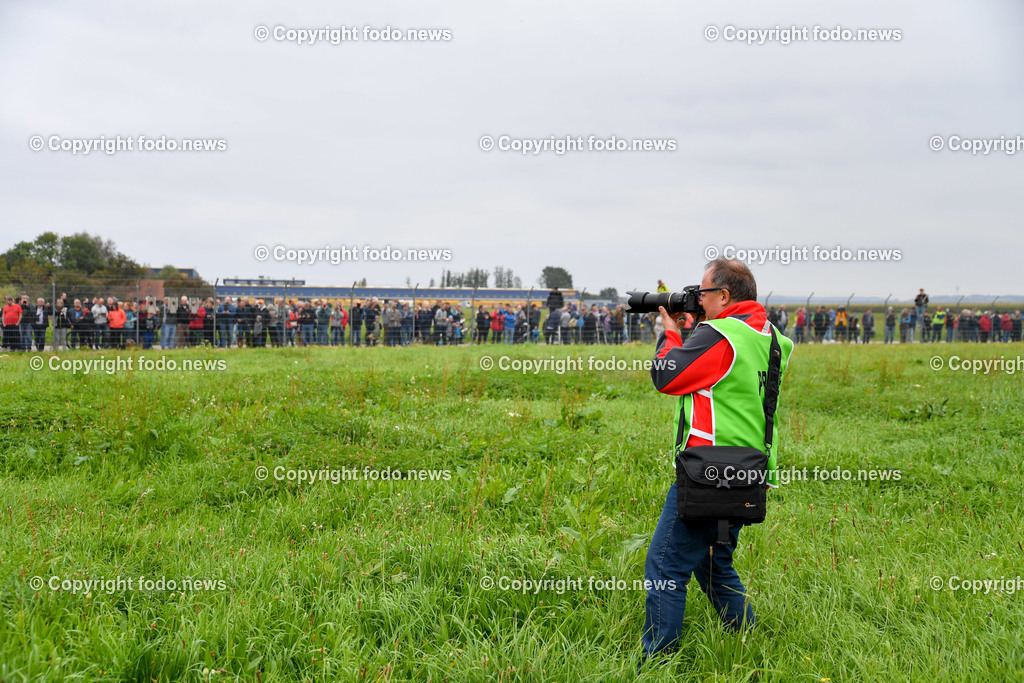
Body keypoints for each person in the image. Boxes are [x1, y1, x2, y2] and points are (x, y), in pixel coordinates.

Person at [640, 258, 793, 664]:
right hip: (749, 471)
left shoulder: (719, 333)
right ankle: (748, 642)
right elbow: (723, 376)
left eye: (703, 293)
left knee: (664, 567)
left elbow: (668, 377)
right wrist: (694, 331)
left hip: (706, 472)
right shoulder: (771, 337)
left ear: (724, 296)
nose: (699, 300)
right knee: (713, 565)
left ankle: (657, 661)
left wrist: (669, 335)